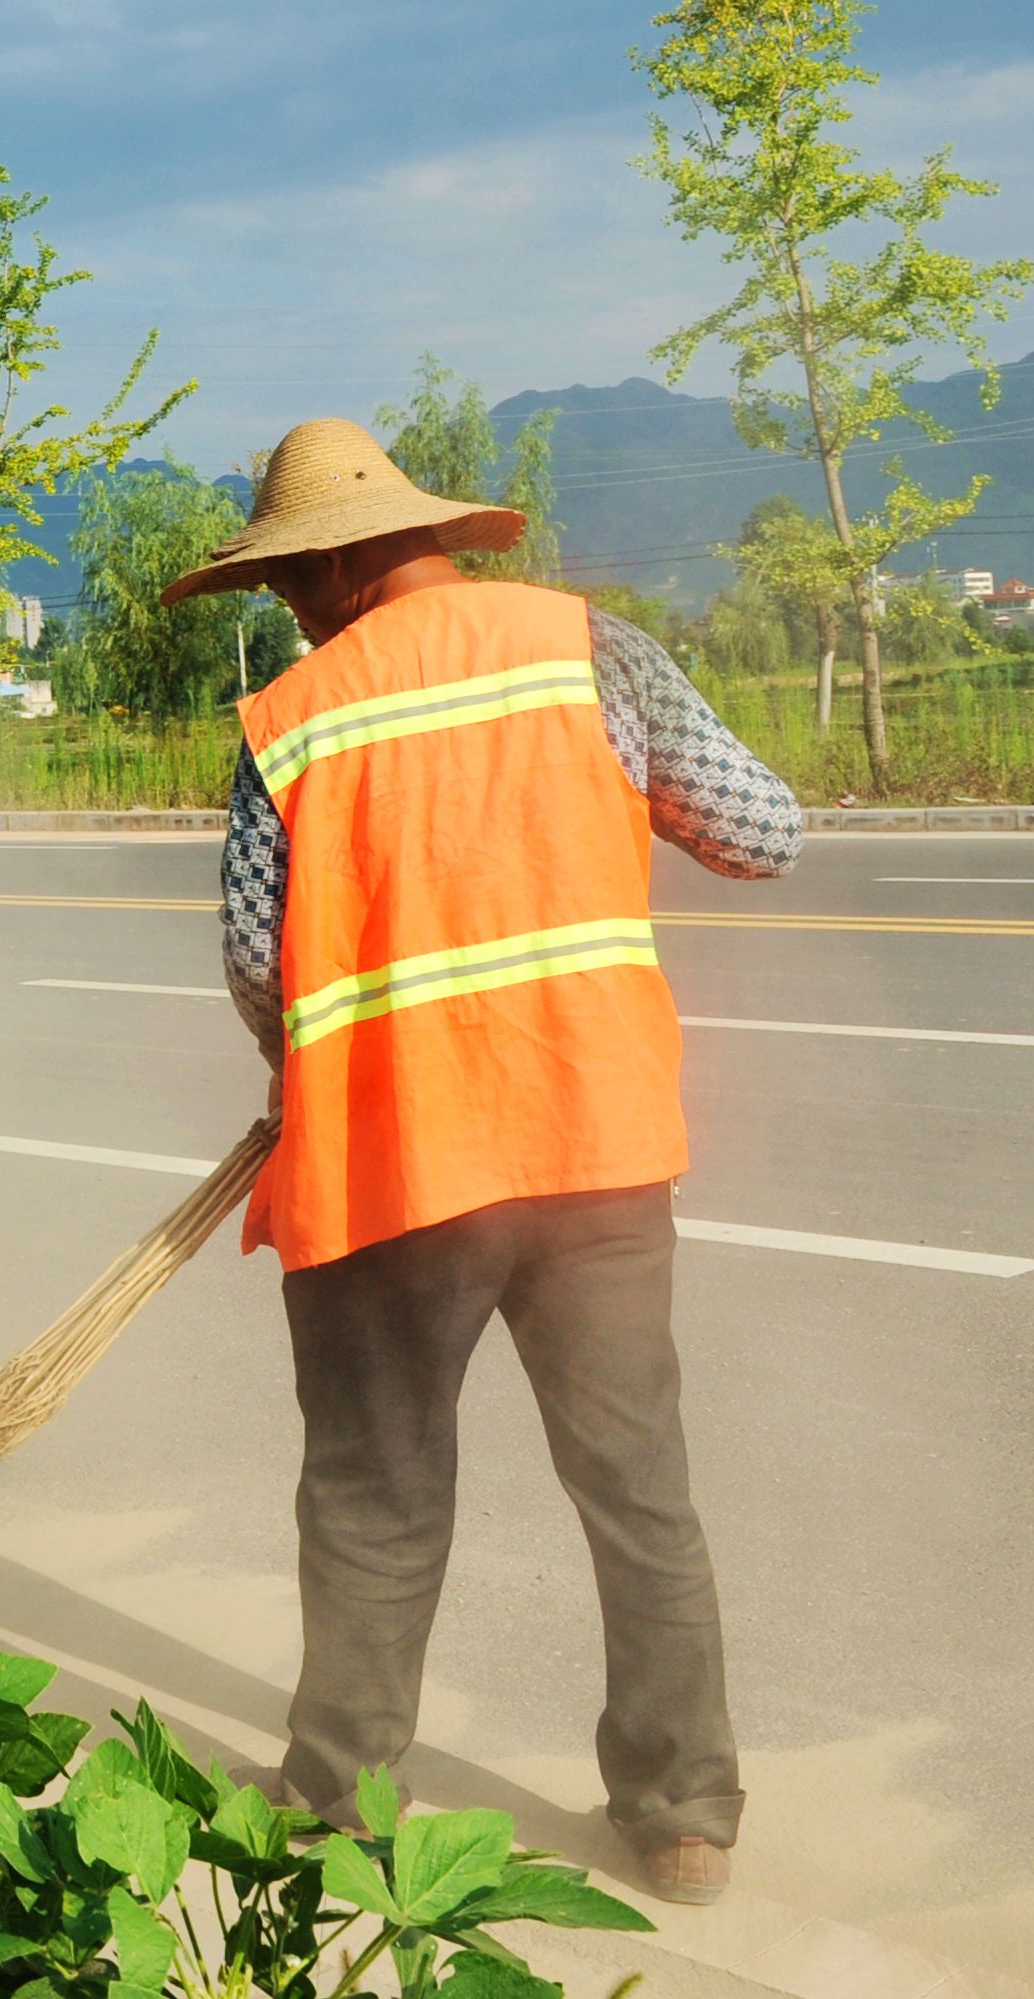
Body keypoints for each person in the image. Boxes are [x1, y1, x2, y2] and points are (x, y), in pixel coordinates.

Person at [166, 419, 800, 1912]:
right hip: (590, 1144)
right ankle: (682, 1811)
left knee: (373, 1500)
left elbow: (259, 962)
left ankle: (335, 1797)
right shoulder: (587, 650)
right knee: (639, 1492)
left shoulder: (292, 716)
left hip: (391, 1164)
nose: (283, 608)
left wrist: (308, 1048)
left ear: (328, 561)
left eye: (283, 580)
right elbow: (762, 831)